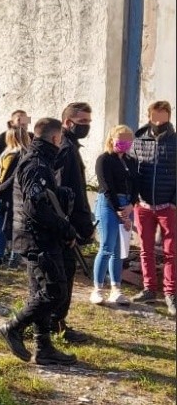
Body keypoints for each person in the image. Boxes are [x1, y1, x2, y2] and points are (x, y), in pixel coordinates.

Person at [0, 117, 78, 366]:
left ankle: (44, 347)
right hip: (37, 239)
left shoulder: (40, 159)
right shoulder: (37, 164)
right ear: (55, 138)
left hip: (35, 237)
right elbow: (35, 207)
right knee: (54, 292)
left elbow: (43, 198)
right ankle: (13, 327)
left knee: (40, 292)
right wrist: (65, 228)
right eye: (61, 138)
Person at [53, 102, 94, 342]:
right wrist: (75, 226)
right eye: (82, 122)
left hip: (67, 223)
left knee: (65, 274)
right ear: (68, 123)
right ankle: (57, 324)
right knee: (64, 274)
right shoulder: (66, 149)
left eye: (88, 122)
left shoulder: (69, 147)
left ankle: (58, 322)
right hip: (64, 225)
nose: (87, 126)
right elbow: (67, 192)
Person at [130, 100, 176, 316]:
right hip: (144, 205)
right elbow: (131, 170)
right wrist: (134, 199)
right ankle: (149, 289)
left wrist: (175, 202)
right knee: (145, 250)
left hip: (169, 206)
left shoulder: (175, 141)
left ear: (168, 116)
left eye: (163, 115)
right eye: (155, 115)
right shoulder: (139, 140)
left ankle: (170, 293)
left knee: (171, 252)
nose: (159, 119)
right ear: (149, 116)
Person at [90, 125, 138, 305]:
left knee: (120, 250)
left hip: (127, 206)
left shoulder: (132, 161)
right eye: (121, 140)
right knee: (107, 247)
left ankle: (116, 289)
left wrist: (131, 205)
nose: (125, 144)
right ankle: (97, 289)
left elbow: (136, 185)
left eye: (128, 141)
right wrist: (118, 209)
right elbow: (106, 186)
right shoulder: (104, 160)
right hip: (108, 205)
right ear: (112, 139)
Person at [0, 127, 31, 268]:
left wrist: (1, 188)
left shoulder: (24, 153)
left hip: (13, 196)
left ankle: (14, 256)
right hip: (0, 195)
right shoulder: (6, 152)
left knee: (14, 227)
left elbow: (15, 176)